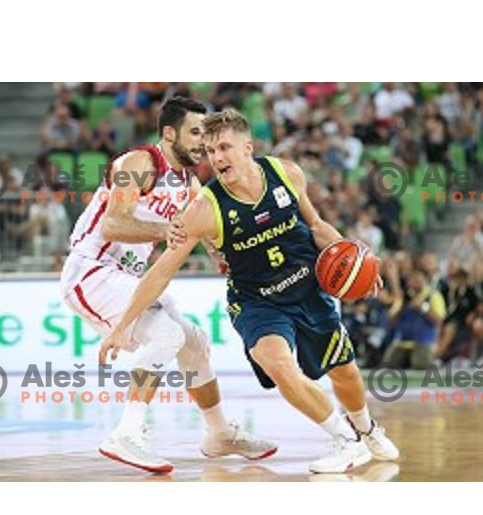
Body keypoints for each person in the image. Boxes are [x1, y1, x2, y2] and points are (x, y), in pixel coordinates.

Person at [99, 108, 399, 474]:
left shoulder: (286, 174)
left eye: (224, 147)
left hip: (308, 287)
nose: (216, 157)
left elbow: (317, 226)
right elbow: (160, 272)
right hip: (257, 301)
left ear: (247, 148)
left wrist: (360, 263)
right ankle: (345, 440)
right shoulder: (204, 209)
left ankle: (367, 430)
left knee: (344, 372)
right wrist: (121, 327)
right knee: (278, 364)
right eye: (210, 150)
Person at [60, 98, 276, 474]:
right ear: (169, 133)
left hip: (125, 277)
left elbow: (204, 230)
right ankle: (125, 433)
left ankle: (219, 433)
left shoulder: (188, 182)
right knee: (166, 336)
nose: (202, 142)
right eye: (195, 133)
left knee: (192, 341)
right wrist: (165, 230)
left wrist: (219, 254)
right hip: (91, 271)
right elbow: (113, 223)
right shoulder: (137, 164)